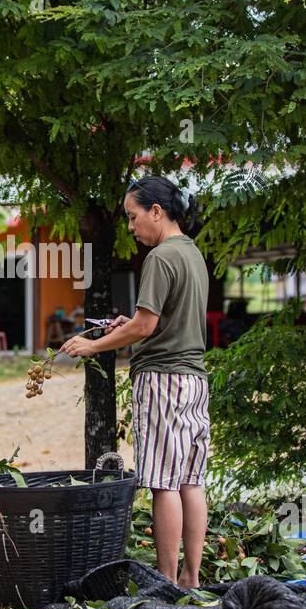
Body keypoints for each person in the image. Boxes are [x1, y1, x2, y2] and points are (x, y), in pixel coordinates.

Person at [61, 175, 210, 588]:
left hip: (161, 380)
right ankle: (190, 578)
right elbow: (162, 320)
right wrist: (127, 324)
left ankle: (163, 578)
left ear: (156, 212)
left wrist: (93, 347)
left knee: (163, 483)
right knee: (191, 480)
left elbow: (146, 327)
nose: (130, 227)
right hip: (194, 380)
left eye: (133, 217)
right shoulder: (193, 254)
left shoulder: (161, 258)